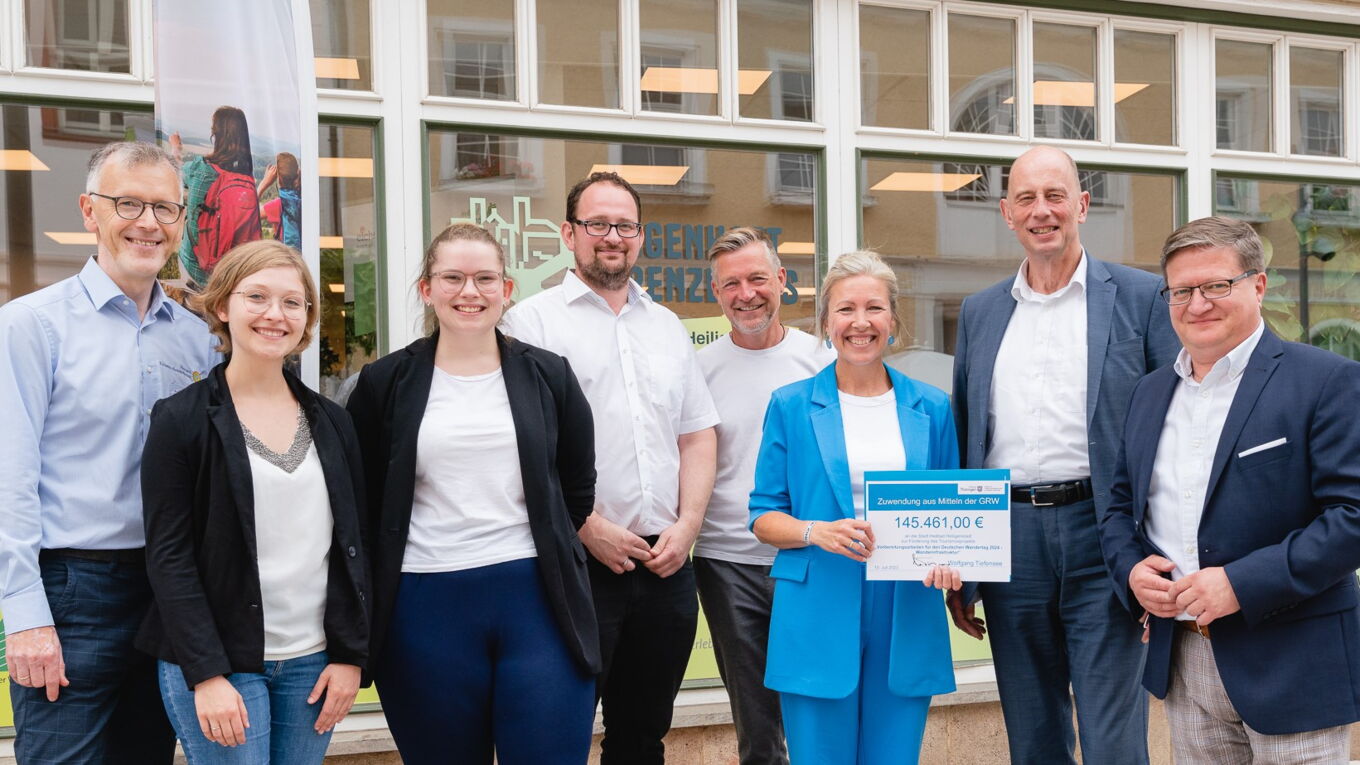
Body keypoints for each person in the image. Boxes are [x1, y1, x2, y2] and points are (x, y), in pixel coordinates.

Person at [947, 145, 1180, 764]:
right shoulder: (979, 312)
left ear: (1081, 204)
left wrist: (1158, 554)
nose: (1042, 211)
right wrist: (962, 558)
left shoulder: (1141, 298)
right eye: (1026, 198)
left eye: (1055, 196)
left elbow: (1171, 430)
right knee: (1033, 733)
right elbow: (970, 436)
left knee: (1112, 735)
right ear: (1006, 212)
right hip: (1008, 536)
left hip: (1104, 533)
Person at [1100, 216, 1360, 763]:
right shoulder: (1150, 393)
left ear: (1258, 285)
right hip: (1184, 661)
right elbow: (1120, 508)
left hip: (1293, 660)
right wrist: (1132, 571)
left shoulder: (1327, 381)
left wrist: (1239, 584)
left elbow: (1352, 517)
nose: (1198, 305)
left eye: (1217, 285)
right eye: (1181, 291)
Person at [346, 223, 599, 764]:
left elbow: (577, 488)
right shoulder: (384, 382)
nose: (470, 292)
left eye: (485, 278)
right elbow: (361, 498)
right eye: (453, 278)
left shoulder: (548, 375)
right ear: (426, 289)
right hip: (424, 607)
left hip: (539, 602)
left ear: (507, 290)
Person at [0, 141, 219, 763]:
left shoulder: (199, 339)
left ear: (181, 223)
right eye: (128, 203)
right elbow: (8, 480)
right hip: (72, 590)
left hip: (167, 589)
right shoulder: (31, 326)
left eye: (165, 209)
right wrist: (26, 617)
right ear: (88, 211)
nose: (147, 223)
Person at [501, 171, 720, 764]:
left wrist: (689, 526)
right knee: (557, 735)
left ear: (640, 236)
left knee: (643, 738)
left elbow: (697, 434)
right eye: (597, 223)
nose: (612, 236)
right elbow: (523, 448)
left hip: (665, 563)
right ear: (570, 234)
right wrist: (585, 526)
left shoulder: (667, 327)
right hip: (576, 564)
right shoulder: (531, 323)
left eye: (624, 225)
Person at [138, 240, 368, 763]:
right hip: (221, 660)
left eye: (292, 302)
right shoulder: (181, 420)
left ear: (307, 316)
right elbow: (169, 558)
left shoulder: (333, 422)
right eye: (257, 297)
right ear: (223, 307)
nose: (275, 314)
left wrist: (351, 655)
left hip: (313, 663)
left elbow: (357, 544)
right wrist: (207, 674)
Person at [749, 250, 960, 765]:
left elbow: (952, 512)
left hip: (906, 607)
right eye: (845, 309)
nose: (860, 322)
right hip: (818, 601)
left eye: (874, 308)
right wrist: (814, 531)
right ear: (825, 322)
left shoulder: (932, 407)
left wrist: (953, 561)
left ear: (893, 321)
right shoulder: (791, 405)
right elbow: (762, 515)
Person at [694, 226, 833, 765]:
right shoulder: (699, 370)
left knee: (818, 712)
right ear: (716, 294)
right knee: (757, 728)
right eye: (731, 284)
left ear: (782, 280)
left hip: (810, 558)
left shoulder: (821, 361)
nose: (746, 293)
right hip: (727, 563)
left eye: (757, 278)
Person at [170, 106, 262, 288]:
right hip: (230, 277)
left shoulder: (202, 169)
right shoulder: (248, 180)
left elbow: (173, 173)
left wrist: (176, 149)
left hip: (194, 268)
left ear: (216, 134)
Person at [258, 152, 301, 249]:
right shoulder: (304, 199)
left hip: (287, 257)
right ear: (297, 172)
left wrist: (264, 183)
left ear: (278, 178)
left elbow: (250, 213)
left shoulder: (278, 205)